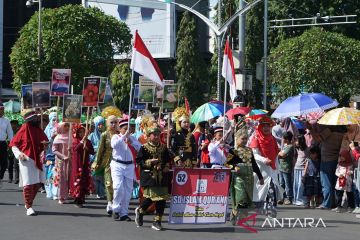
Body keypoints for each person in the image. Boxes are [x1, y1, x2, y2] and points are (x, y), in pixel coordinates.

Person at [9, 110, 48, 216]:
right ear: (28, 120)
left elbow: (45, 142)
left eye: (36, 118)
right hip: (26, 159)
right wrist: (18, 154)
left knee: (38, 183)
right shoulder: (24, 129)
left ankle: (29, 202)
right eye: (33, 118)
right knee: (28, 184)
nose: (35, 120)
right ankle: (29, 206)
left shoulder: (38, 129)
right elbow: (14, 144)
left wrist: (45, 145)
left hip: (38, 159)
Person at [135, 127, 171, 231]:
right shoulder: (144, 147)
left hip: (162, 177)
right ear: (149, 135)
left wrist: (165, 166)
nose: (156, 136)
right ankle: (141, 210)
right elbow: (139, 161)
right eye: (154, 134)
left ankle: (157, 221)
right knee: (151, 198)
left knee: (162, 199)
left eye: (157, 134)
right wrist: (150, 162)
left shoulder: (163, 147)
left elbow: (167, 160)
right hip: (150, 176)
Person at [226, 124, 264, 225]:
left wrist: (260, 177)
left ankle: (241, 219)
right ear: (237, 139)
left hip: (249, 179)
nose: (244, 141)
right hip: (238, 179)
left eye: (246, 139)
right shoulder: (233, 151)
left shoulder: (249, 150)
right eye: (242, 139)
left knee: (247, 201)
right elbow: (227, 164)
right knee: (241, 199)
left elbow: (254, 165)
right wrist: (234, 167)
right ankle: (235, 213)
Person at [249, 116, 281, 218]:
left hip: (272, 169)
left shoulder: (273, 139)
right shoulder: (256, 139)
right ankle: (264, 209)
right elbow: (255, 155)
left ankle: (271, 212)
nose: (266, 128)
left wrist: (276, 167)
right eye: (264, 126)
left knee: (272, 188)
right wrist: (264, 160)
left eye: (268, 126)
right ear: (260, 127)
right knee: (262, 191)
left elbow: (276, 154)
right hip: (261, 170)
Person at [111, 118, 141, 221]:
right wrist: (123, 137)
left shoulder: (132, 138)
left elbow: (140, 148)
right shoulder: (116, 137)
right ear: (120, 129)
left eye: (128, 128)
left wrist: (131, 141)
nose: (127, 130)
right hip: (117, 165)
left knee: (128, 190)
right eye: (125, 128)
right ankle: (115, 209)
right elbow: (114, 145)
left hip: (129, 166)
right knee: (118, 188)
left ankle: (124, 213)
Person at [92, 115, 118, 215]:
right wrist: (96, 162)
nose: (114, 124)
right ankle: (109, 202)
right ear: (108, 123)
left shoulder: (119, 134)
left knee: (116, 184)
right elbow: (100, 150)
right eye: (111, 122)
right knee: (108, 183)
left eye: (115, 122)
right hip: (107, 163)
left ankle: (116, 202)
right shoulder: (104, 135)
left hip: (118, 163)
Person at [70, 124, 95, 208]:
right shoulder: (75, 140)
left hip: (85, 164)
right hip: (77, 164)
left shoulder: (87, 141)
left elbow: (92, 151)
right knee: (78, 180)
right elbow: (75, 149)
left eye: (83, 132)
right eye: (80, 132)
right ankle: (77, 199)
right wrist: (81, 142)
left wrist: (87, 149)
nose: (82, 133)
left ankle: (82, 198)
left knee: (84, 181)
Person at [52, 122, 71, 204]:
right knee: (62, 179)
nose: (67, 128)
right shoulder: (57, 138)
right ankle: (61, 196)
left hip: (70, 160)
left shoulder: (70, 137)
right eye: (65, 126)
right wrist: (63, 156)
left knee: (69, 177)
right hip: (61, 161)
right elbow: (54, 150)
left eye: (68, 126)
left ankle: (68, 194)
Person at [88, 116, 105, 199]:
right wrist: (97, 148)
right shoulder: (91, 135)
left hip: (103, 158)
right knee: (95, 175)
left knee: (102, 176)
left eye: (102, 124)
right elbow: (89, 146)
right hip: (94, 158)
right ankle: (95, 190)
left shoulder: (104, 135)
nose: (101, 126)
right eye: (99, 125)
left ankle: (101, 191)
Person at [43, 112, 58, 199]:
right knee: (48, 174)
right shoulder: (47, 129)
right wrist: (51, 138)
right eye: (53, 119)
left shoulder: (59, 128)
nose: (55, 121)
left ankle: (55, 192)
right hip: (49, 155)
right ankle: (49, 191)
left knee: (55, 173)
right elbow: (45, 142)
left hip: (57, 155)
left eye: (56, 119)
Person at [277, 131, 294, 205]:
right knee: (281, 183)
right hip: (281, 167)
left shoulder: (290, 147)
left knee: (287, 184)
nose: (282, 139)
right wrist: (279, 153)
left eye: (283, 138)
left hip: (286, 168)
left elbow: (282, 155)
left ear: (287, 139)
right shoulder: (285, 146)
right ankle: (282, 198)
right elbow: (279, 154)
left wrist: (279, 153)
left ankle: (289, 198)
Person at [0, 102, 14, 187]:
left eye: (2, 109)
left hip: (2, 143)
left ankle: (0, 177)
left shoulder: (6, 120)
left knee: (4, 164)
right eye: (0, 109)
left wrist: (12, 143)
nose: (2, 111)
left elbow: (10, 133)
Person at [293, 135, 308, 206]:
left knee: (300, 185)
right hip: (296, 168)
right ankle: (296, 199)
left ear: (301, 141)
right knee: (296, 185)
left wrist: (305, 172)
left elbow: (307, 162)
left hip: (302, 169)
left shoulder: (307, 150)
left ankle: (301, 199)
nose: (296, 142)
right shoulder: (297, 148)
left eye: (297, 140)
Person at [8, 119, 20, 184]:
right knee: (10, 165)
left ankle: (17, 178)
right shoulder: (8, 131)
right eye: (12, 124)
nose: (13, 126)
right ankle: (10, 178)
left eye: (14, 124)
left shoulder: (19, 132)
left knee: (16, 165)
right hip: (9, 150)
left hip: (16, 150)